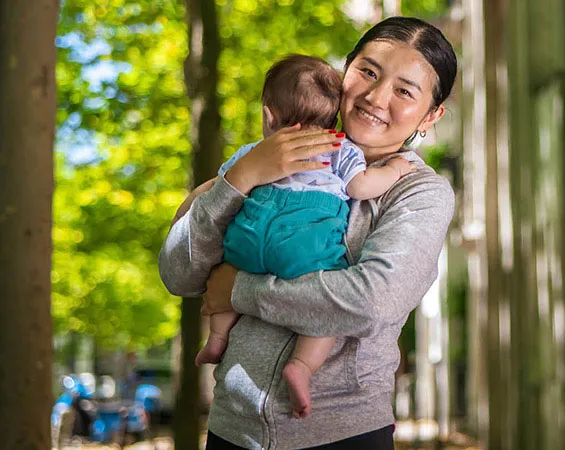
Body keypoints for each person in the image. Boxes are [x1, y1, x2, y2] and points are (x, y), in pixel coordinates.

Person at [159, 16, 457, 450]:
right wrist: (239, 179)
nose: (376, 97)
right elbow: (178, 273)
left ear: (430, 116)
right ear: (344, 71)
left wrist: (240, 290)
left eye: (404, 91)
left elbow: (370, 302)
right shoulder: (271, 159)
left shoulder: (420, 192)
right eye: (368, 72)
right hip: (230, 430)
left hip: (340, 434)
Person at [191, 54, 416, 420]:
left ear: (268, 115)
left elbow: (219, 190)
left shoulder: (253, 154)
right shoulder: (340, 148)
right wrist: (394, 169)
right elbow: (361, 187)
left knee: (225, 273)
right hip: (303, 243)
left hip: (249, 236)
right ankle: (302, 366)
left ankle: (216, 338)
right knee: (323, 304)